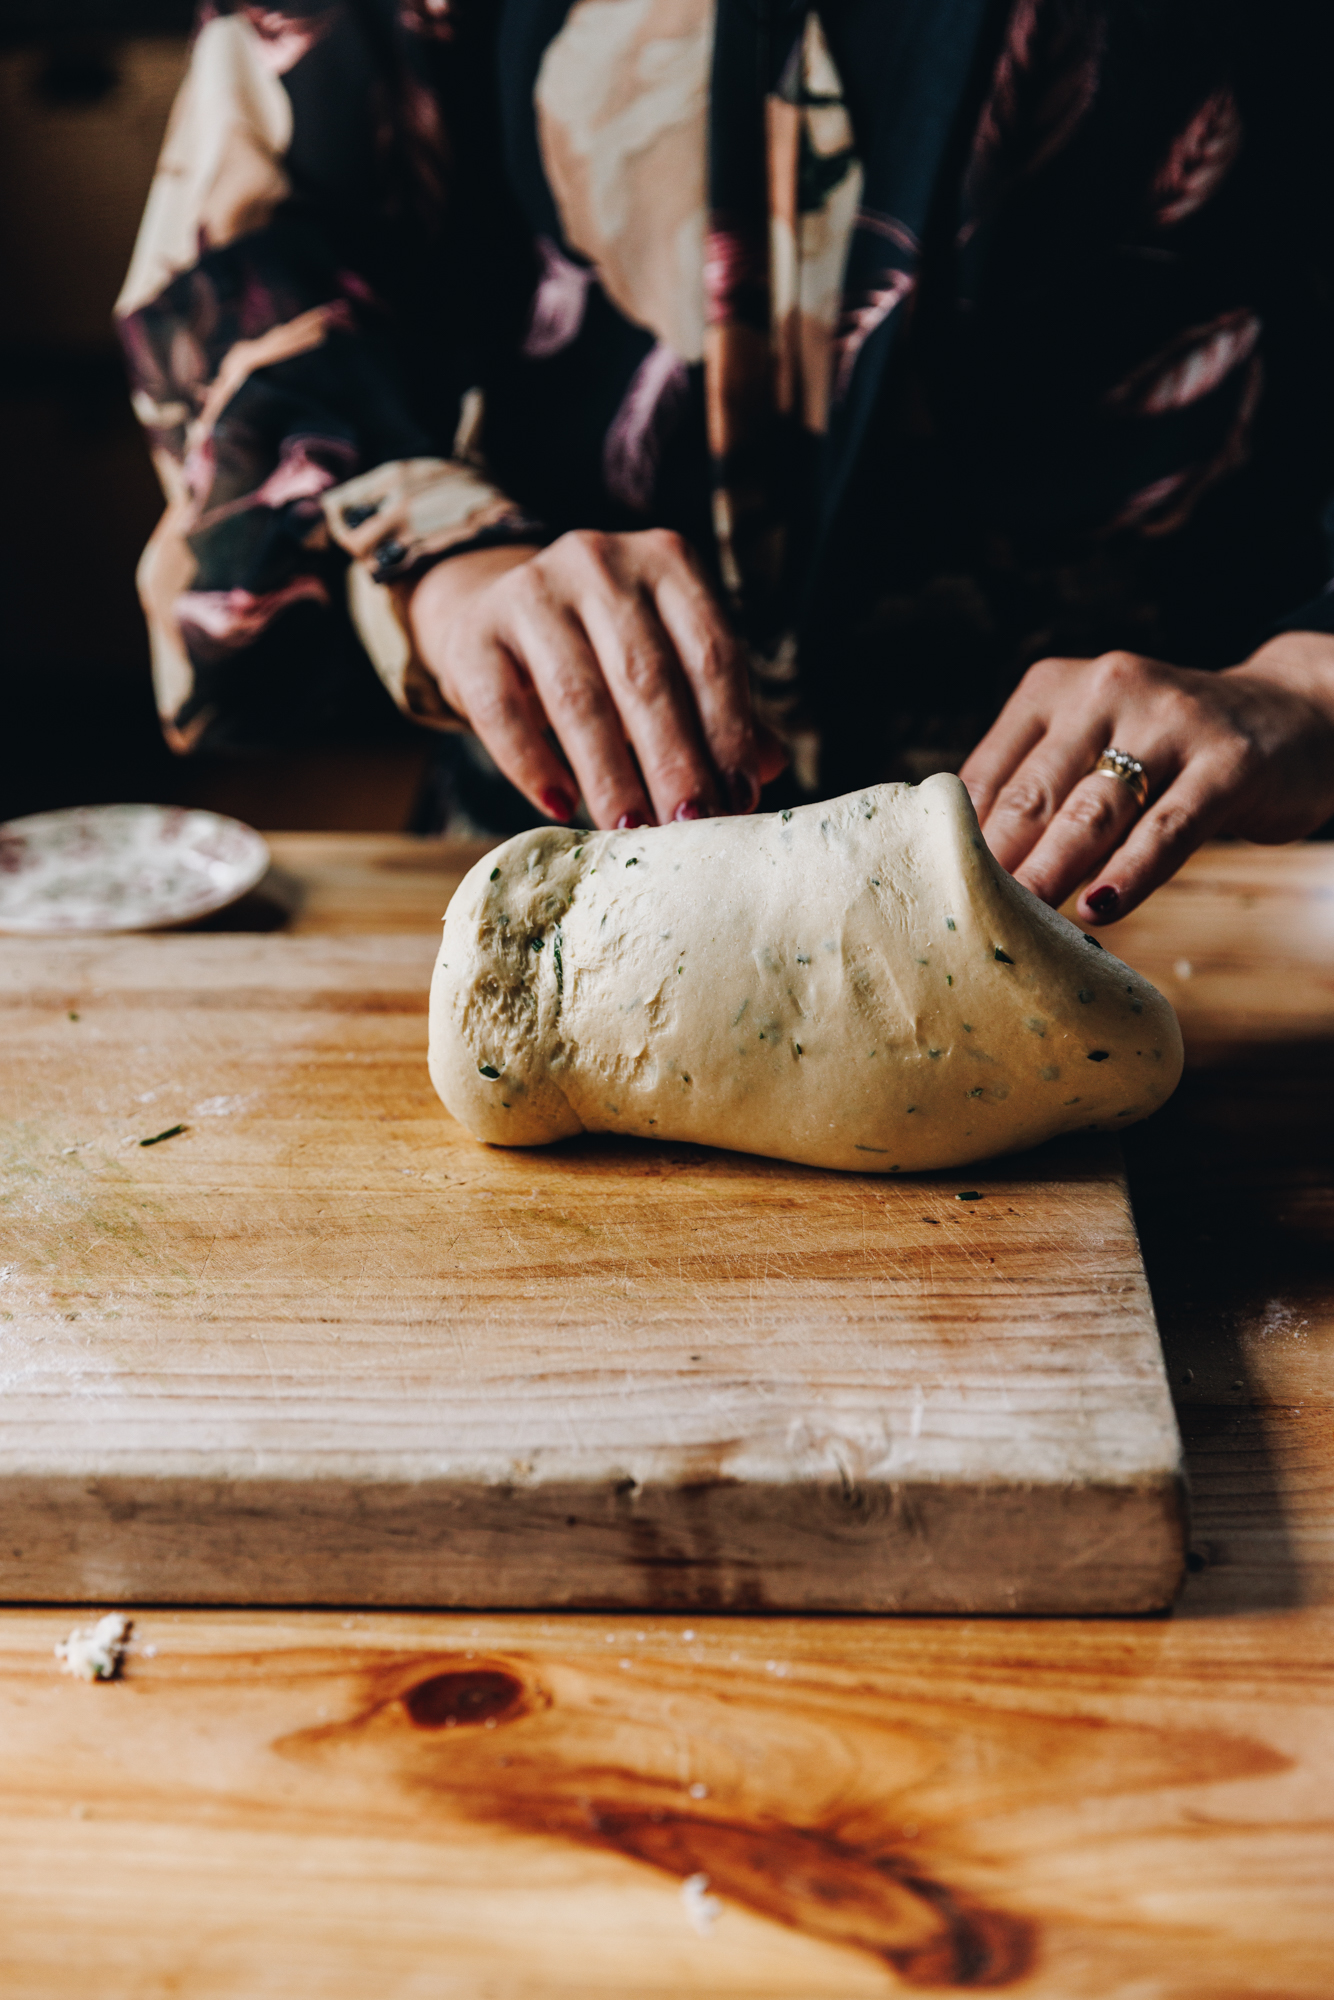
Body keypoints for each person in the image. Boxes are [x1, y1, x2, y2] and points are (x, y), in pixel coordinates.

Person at [116, 0, 1334, 926]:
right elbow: (250, 277)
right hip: (570, 867)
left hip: (1173, 899)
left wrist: (1307, 683)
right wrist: (444, 558)